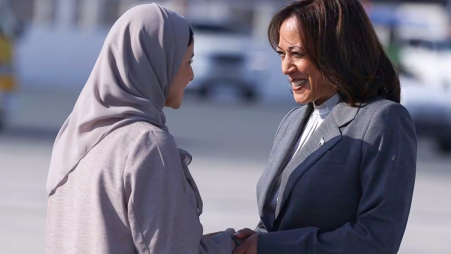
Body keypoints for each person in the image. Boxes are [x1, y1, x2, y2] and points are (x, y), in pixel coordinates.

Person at [46, 4, 236, 254]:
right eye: (187, 61)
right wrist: (232, 244)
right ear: (157, 60)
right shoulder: (145, 144)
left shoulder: (73, 138)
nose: (191, 75)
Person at [233, 0, 417, 253]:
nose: (286, 67)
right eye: (281, 54)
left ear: (336, 51)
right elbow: (278, 223)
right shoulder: (293, 121)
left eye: (297, 54)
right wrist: (249, 240)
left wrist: (270, 246)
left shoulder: (383, 120)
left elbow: (378, 240)